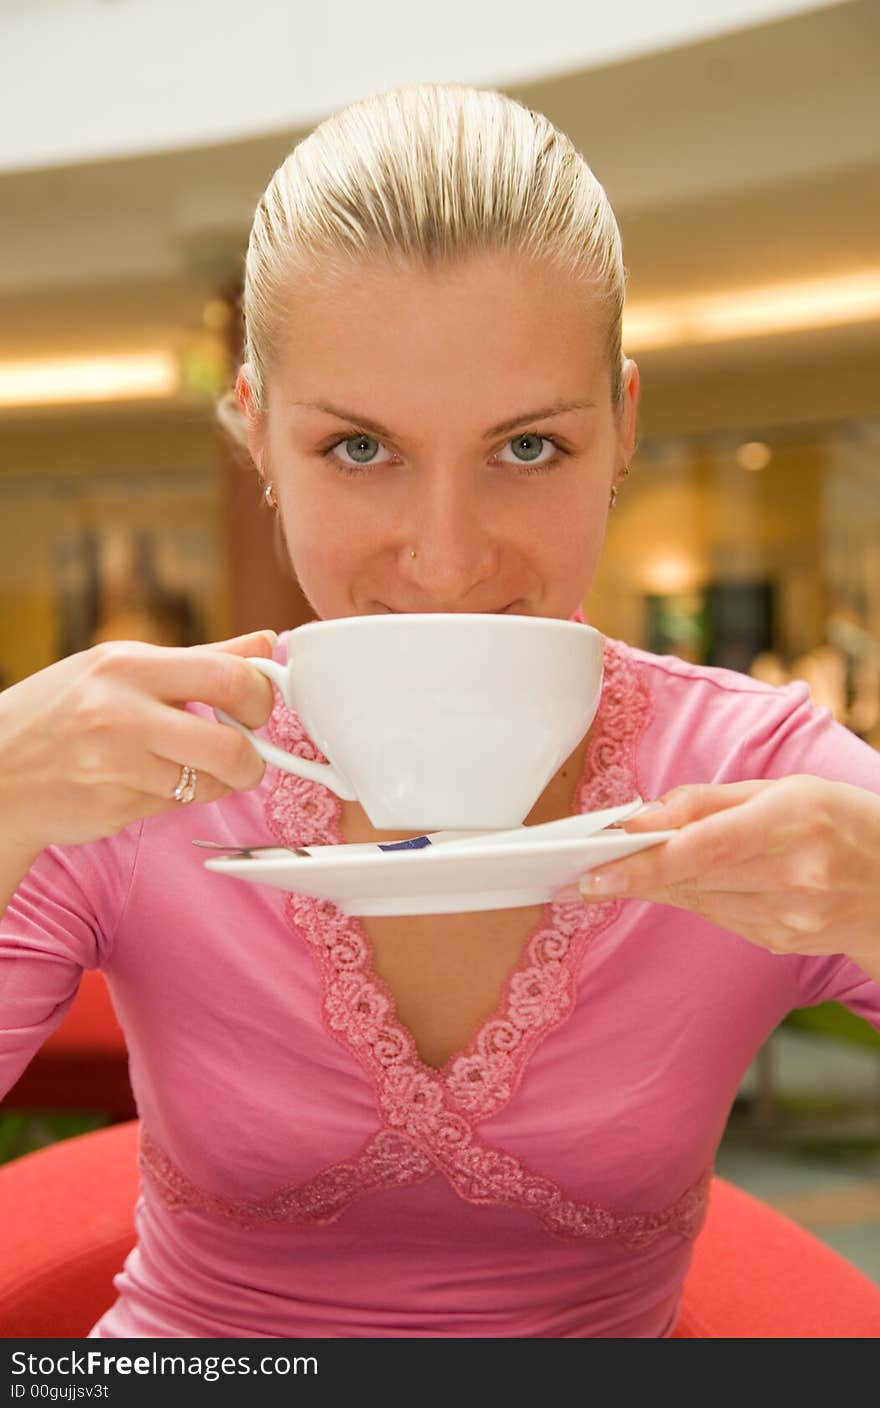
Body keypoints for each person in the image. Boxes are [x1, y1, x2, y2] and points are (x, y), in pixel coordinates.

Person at [1, 83, 879, 1341]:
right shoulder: (127, 769)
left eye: (527, 449)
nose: (446, 560)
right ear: (255, 430)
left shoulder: (751, 770)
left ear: (621, 428)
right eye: (360, 450)